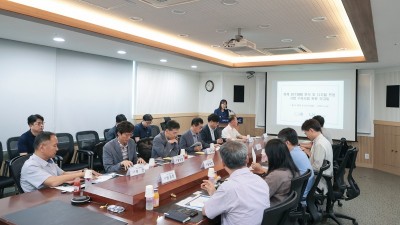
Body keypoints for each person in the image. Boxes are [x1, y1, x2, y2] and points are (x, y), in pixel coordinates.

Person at [201, 141, 270, 225]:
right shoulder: (261, 181)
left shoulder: (228, 188)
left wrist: (215, 195)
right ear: (247, 159)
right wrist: (216, 194)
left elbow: (206, 211)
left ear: (223, 163)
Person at [20, 131, 99, 193]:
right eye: (54, 146)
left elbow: (63, 174)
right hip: (37, 203)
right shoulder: (31, 165)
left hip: (51, 195)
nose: (57, 149)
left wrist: (84, 171)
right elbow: (52, 182)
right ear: (42, 147)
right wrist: (81, 174)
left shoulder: (48, 159)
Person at [252, 139, 299, 206]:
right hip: (283, 207)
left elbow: (258, 197)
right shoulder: (291, 169)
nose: (266, 158)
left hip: (271, 210)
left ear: (273, 156)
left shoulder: (276, 175)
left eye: (267, 155)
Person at [278, 128, 314, 202]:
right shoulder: (298, 150)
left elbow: (278, 172)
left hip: (298, 194)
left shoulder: (291, 154)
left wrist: (261, 169)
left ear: (287, 143)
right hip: (305, 190)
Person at [301, 119, 333, 193]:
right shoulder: (321, 140)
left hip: (319, 181)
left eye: (306, 133)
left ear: (311, 130)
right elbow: (317, 159)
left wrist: (302, 170)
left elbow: (316, 167)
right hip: (322, 176)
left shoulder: (319, 144)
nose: (306, 136)